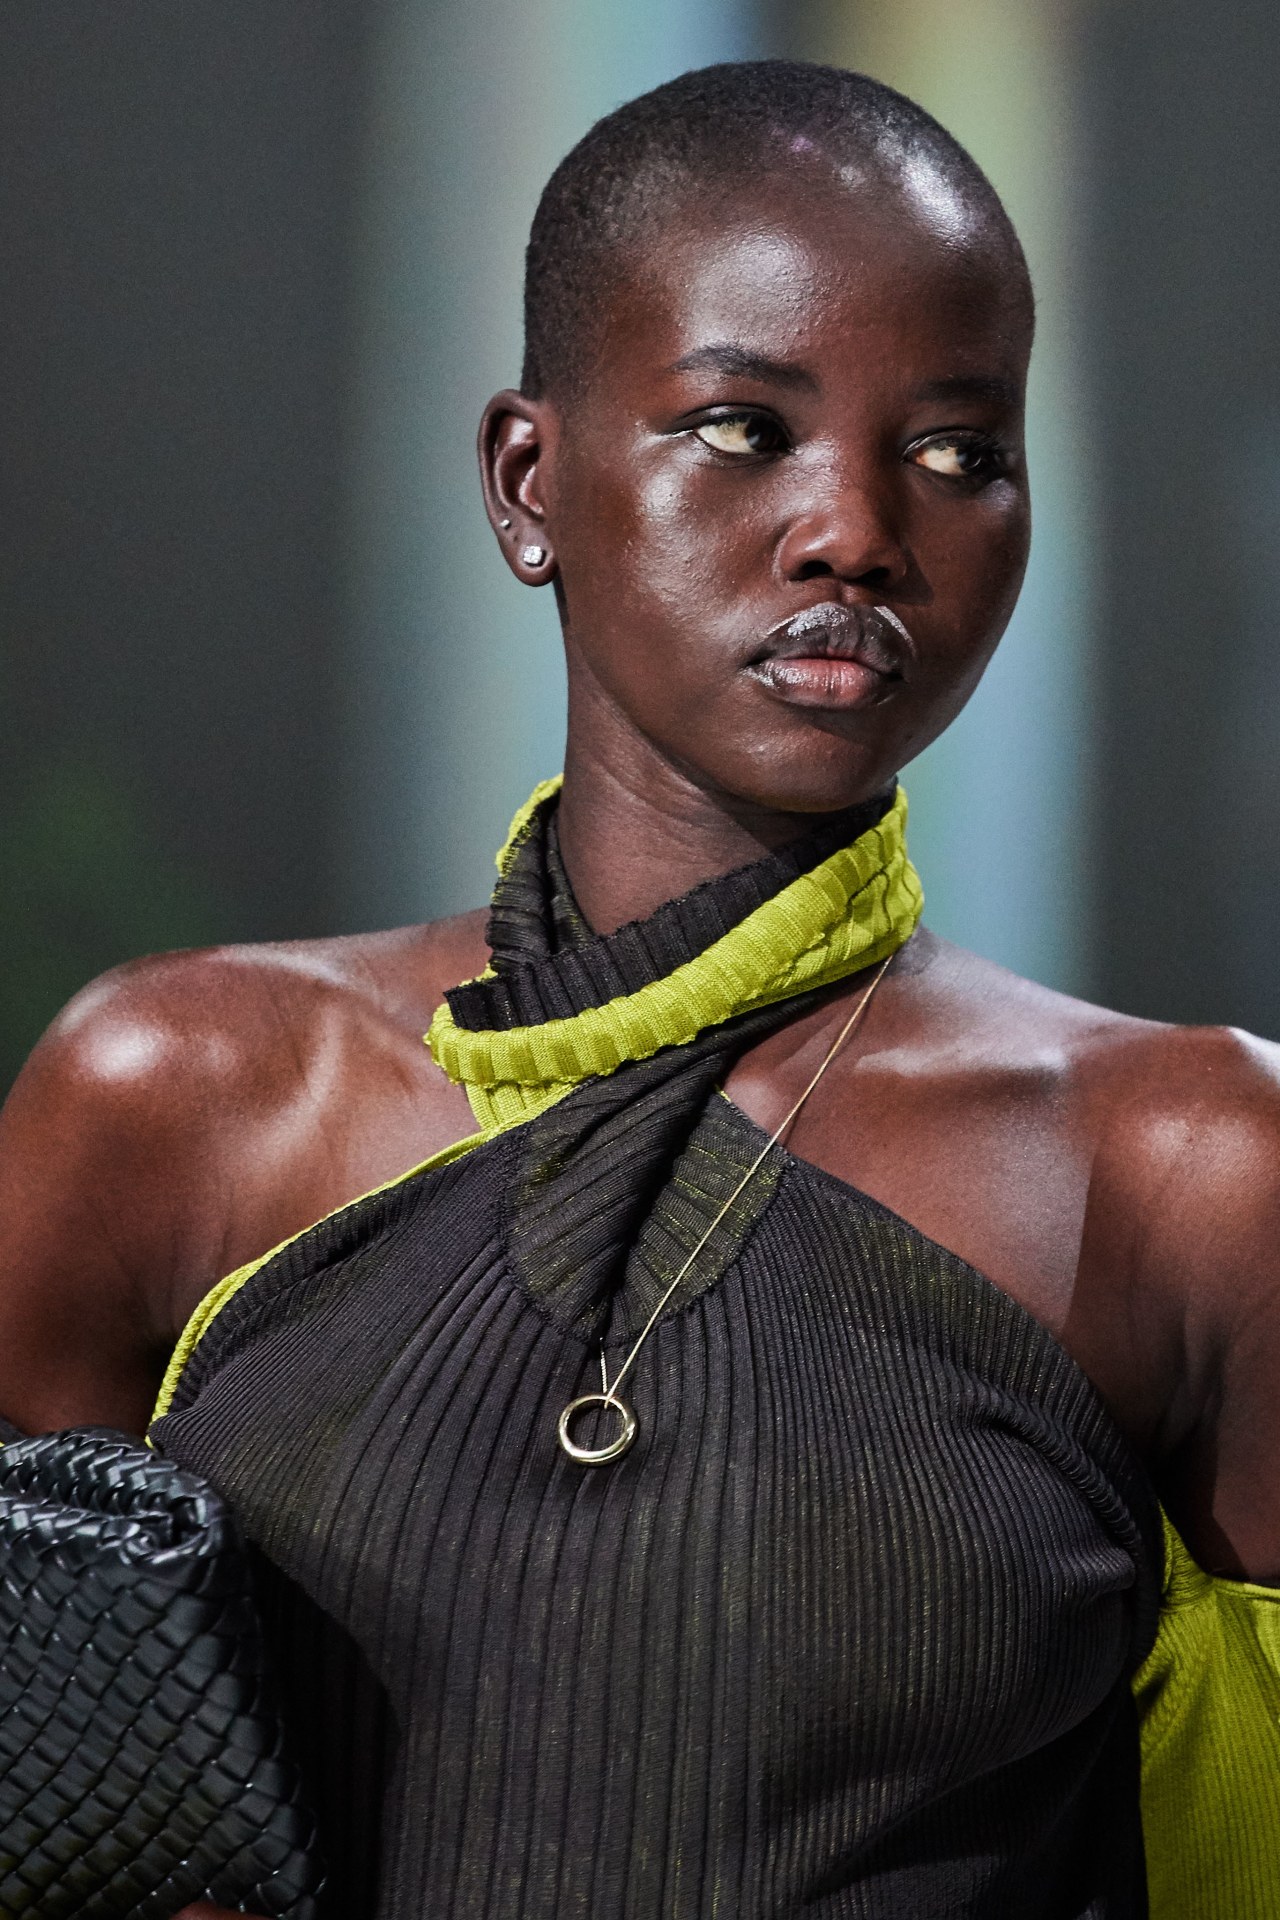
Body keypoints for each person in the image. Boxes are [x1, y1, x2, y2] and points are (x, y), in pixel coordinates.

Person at [1, 58, 1277, 1920]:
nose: (856, 529)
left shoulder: (1191, 1170)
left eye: (958, 453)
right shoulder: (179, 1099)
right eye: (745, 429)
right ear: (531, 482)